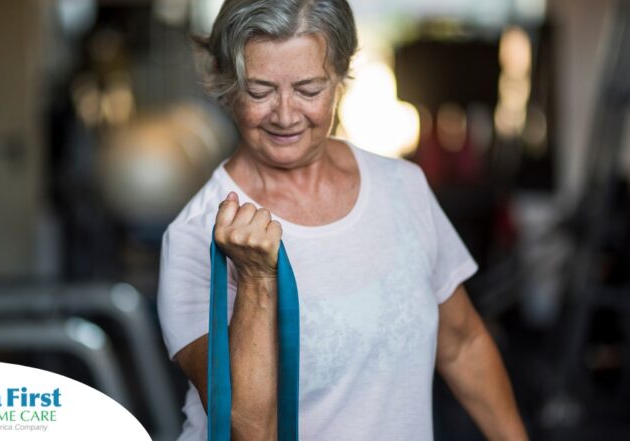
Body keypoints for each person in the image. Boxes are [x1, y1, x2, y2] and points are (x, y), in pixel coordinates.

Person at [158, 0, 528, 439]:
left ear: (341, 77)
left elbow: (462, 342)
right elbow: (250, 429)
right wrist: (256, 281)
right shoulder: (195, 235)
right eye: (259, 91)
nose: (285, 114)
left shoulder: (402, 186)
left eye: (309, 89)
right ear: (228, 84)